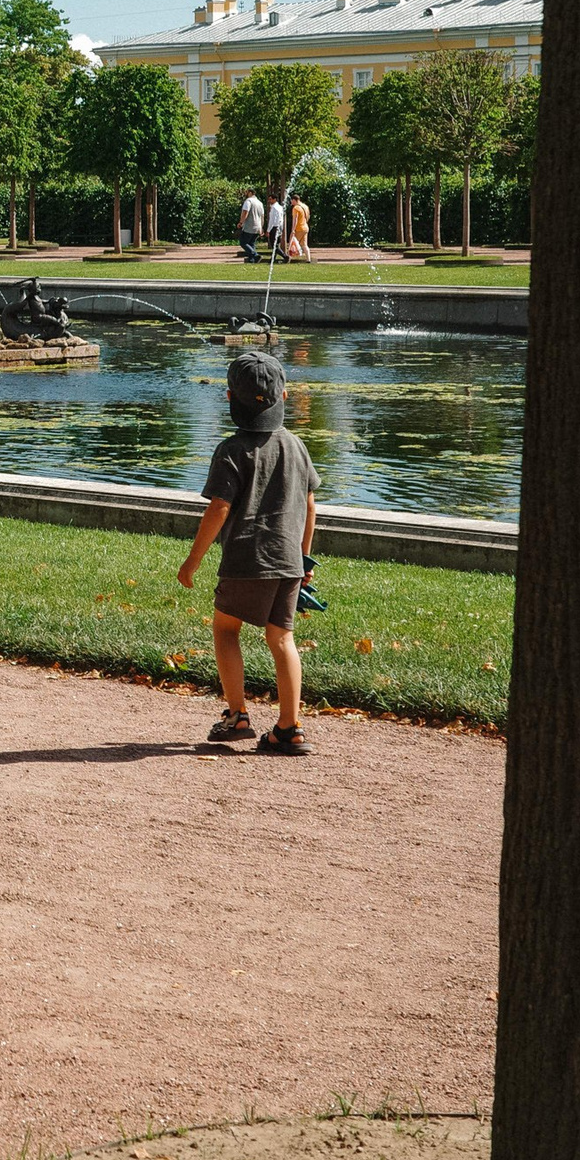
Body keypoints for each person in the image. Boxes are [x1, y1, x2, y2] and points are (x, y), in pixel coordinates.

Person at [177, 350, 319, 755]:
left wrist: (194, 560)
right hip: (289, 561)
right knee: (282, 638)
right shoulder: (297, 446)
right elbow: (310, 506)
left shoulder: (231, 450)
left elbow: (219, 507)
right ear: (285, 397)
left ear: (228, 398)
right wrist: (304, 558)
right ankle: (289, 728)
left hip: (245, 559)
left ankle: (237, 715)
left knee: (226, 629)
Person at [238, 188, 265, 263]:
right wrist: (261, 227)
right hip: (258, 227)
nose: (245, 193)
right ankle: (252, 260)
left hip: (250, 226)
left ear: (250, 193)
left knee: (243, 242)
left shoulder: (248, 201)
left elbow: (245, 212)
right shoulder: (260, 203)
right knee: (251, 244)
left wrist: (241, 222)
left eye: (246, 192)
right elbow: (262, 216)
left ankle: (255, 255)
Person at [287, 191, 312, 263]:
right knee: (304, 244)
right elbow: (308, 216)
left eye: (292, 201)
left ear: (295, 200)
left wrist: (293, 230)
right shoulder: (305, 206)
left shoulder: (296, 208)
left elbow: (295, 219)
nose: (291, 202)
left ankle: (289, 258)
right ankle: (308, 259)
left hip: (299, 228)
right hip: (305, 227)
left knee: (292, 243)